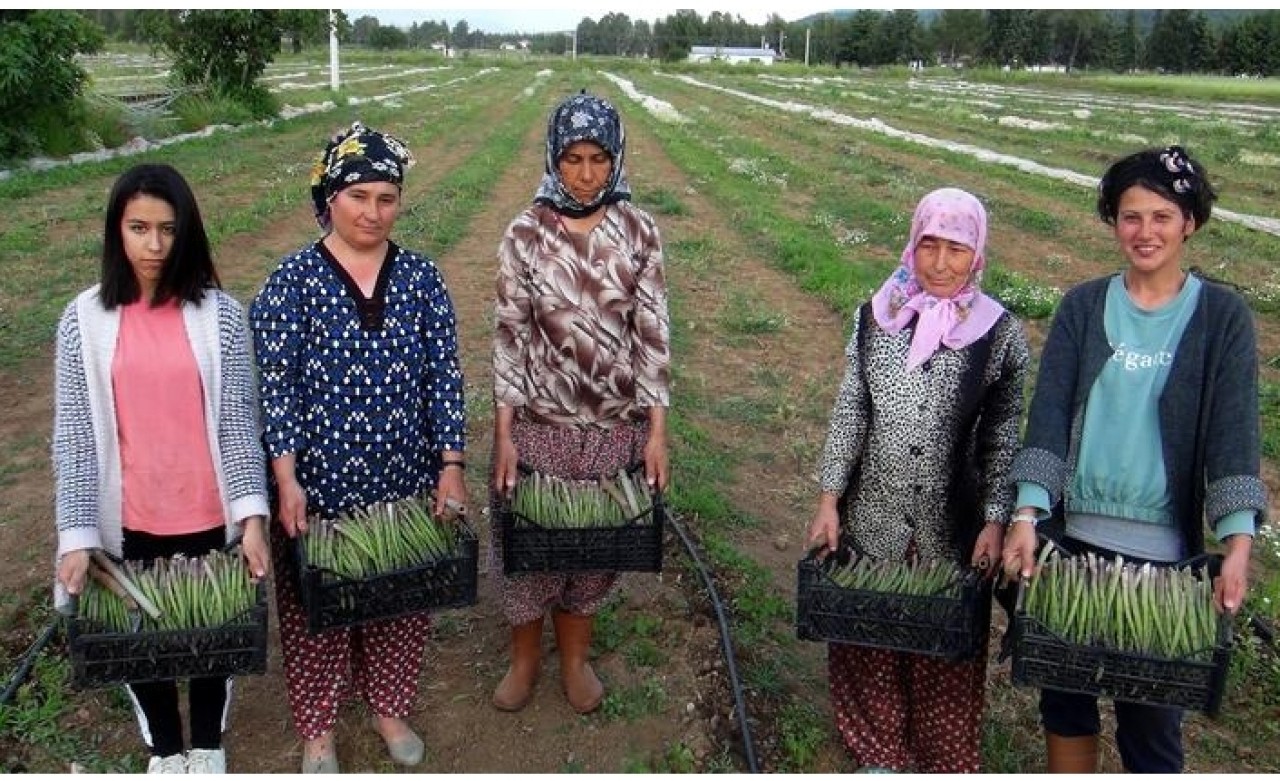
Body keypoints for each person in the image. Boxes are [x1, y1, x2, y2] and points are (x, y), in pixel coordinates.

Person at [1001, 145, 1265, 773]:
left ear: (1189, 223)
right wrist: (1027, 513)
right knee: (1066, 699)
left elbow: (1234, 435)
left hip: (1162, 561)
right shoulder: (1084, 306)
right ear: (1113, 222)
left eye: (1162, 216)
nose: (1144, 232)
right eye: (1130, 217)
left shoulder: (1221, 317)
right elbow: (1049, 415)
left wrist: (1238, 544)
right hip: (1075, 544)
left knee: (1151, 718)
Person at [249, 121, 468, 773]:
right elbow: (276, 387)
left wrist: (450, 465)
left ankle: (388, 705)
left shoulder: (423, 280)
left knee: (400, 600)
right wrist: (286, 479)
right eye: (359, 196)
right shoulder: (293, 282)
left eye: (386, 197)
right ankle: (317, 728)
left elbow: (444, 376)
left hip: (403, 482)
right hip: (322, 486)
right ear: (329, 197)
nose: (373, 211)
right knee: (316, 608)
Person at [52, 162, 271, 774]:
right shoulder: (84, 322)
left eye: (168, 230)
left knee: (212, 635)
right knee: (138, 642)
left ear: (187, 233)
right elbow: (74, 438)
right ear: (115, 232)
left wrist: (250, 516)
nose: (153, 246)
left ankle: (206, 742)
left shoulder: (219, 316)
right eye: (138, 228)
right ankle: (165, 748)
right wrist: (76, 537)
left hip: (206, 512)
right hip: (132, 518)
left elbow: (236, 425)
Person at [805, 187, 1030, 772]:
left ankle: (940, 759)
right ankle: (879, 753)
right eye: (928, 244)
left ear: (976, 254)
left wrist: (995, 519)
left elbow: (1003, 436)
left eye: (956, 249)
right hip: (873, 514)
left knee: (944, 651)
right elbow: (852, 409)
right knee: (869, 640)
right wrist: (829, 499)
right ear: (912, 244)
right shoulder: (876, 317)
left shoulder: (999, 334)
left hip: (951, 525)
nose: (939, 262)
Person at [489, 91, 671, 715]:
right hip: (542, 424)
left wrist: (656, 430)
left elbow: (652, 333)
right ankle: (523, 658)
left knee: (593, 550)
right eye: (573, 159)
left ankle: (574, 660)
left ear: (616, 158)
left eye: (599, 158)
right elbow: (510, 335)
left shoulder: (638, 231)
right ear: (553, 158)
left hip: (613, 427)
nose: (587, 174)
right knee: (531, 545)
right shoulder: (526, 232)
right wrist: (506, 432)